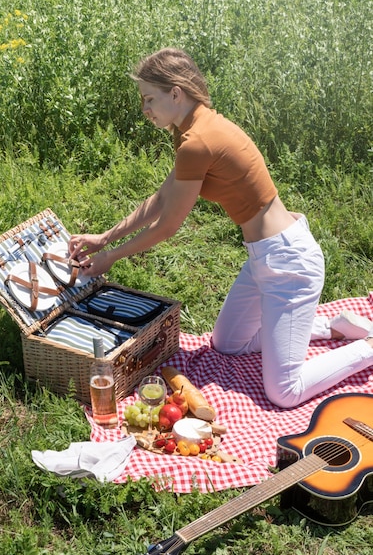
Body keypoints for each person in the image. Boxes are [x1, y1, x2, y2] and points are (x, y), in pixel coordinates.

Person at [68, 47, 373, 409]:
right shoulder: (195, 128)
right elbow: (163, 197)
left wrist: (110, 257)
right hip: (267, 257)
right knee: (226, 343)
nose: (144, 109)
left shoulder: (197, 141)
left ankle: (365, 348)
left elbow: (167, 226)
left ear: (176, 93)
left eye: (149, 99)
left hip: (289, 264)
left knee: (284, 392)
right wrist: (105, 238)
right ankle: (332, 328)